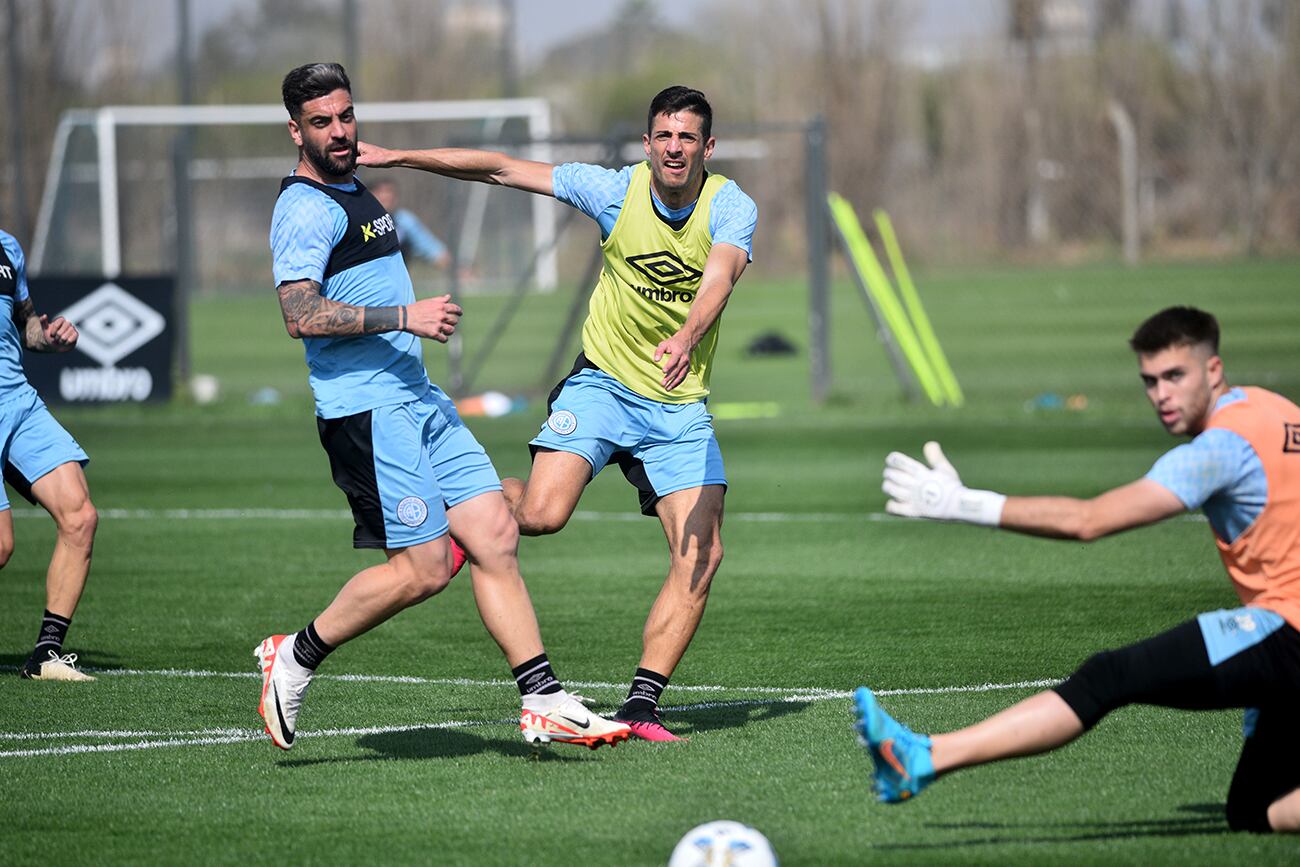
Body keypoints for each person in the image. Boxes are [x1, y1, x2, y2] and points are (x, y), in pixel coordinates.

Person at [357, 85, 758, 741]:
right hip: (601, 384)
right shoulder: (610, 190)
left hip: (679, 404)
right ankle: (467, 511)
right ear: (647, 142)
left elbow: (721, 274)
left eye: (688, 137)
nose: (675, 147)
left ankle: (639, 708)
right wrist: (398, 155)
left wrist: (685, 338)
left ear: (707, 147)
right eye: (664, 135)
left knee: (702, 554)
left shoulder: (731, 204)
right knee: (541, 514)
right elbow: (499, 168)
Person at [259, 62, 629, 751]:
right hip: (367, 410)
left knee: (493, 531)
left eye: (345, 115)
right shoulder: (304, 207)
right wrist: (407, 314)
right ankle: (296, 655)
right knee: (425, 568)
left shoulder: (354, 185)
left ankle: (543, 697)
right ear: (294, 130)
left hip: (418, 398)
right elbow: (298, 312)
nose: (339, 131)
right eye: (321, 122)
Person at [857, 306, 1300, 833]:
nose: (1161, 394)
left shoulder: (1219, 448)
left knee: (1110, 676)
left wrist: (961, 502)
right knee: (1252, 811)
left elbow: (1089, 521)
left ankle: (925, 756)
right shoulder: (1277, 410)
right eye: (1150, 381)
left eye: (1174, 377)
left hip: (1289, 629)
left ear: (1213, 369)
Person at [0, 230, 98, 682]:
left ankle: (46, 655)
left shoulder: (7, 247)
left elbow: (25, 328)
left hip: (15, 398)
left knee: (79, 516)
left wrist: (50, 335)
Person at [369, 179, 452, 269]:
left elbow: (430, 247)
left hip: (395, 278)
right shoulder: (359, 221)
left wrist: (455, 269)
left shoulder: (403, 221)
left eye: (390, 193)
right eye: (381, 193)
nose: (387, 197)